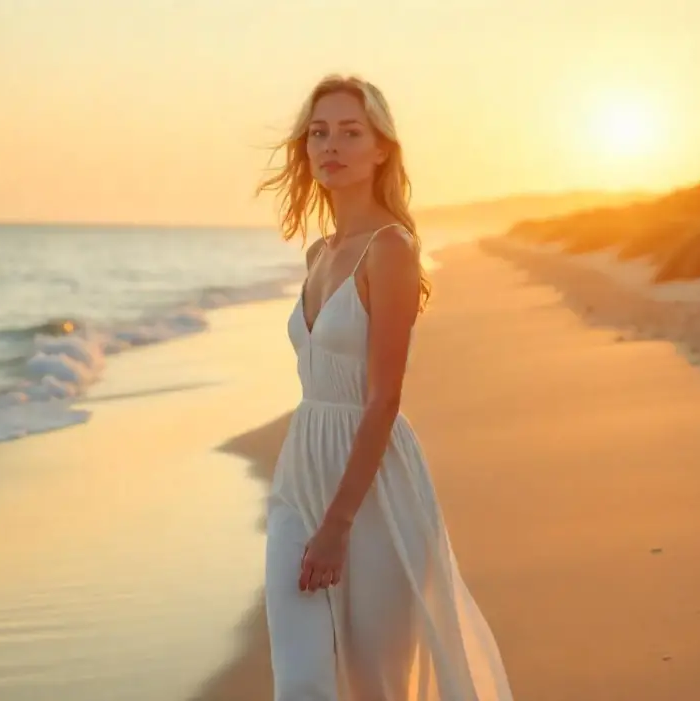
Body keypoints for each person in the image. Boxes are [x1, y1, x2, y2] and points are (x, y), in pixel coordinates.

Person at [256, 74, 514, 700]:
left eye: (350, 131)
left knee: (378, 686)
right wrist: (316, 516)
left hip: (373, 487)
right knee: (301, 682)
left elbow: (384, 397)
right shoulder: (318, 253)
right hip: (300, 476)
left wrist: (339, 524)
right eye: (319, 132)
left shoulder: (391, 249)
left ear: (381, 150)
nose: (330, 145)